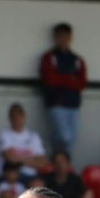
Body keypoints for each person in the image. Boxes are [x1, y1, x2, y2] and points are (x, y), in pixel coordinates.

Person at [38, 23, 87, 157]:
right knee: (65, 137)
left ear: (70, 38)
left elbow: (82, 83)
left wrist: (63, 79)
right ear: (55, 38)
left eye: (66, 36)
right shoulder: (49, 57)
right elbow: (50, 79)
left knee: (72, 138)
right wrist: (70, 79)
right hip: (56, 102)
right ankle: (56, 159)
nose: (63, 40)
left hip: (74, 104)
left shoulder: (77, 60)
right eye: (60, 36)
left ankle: (64, 164)